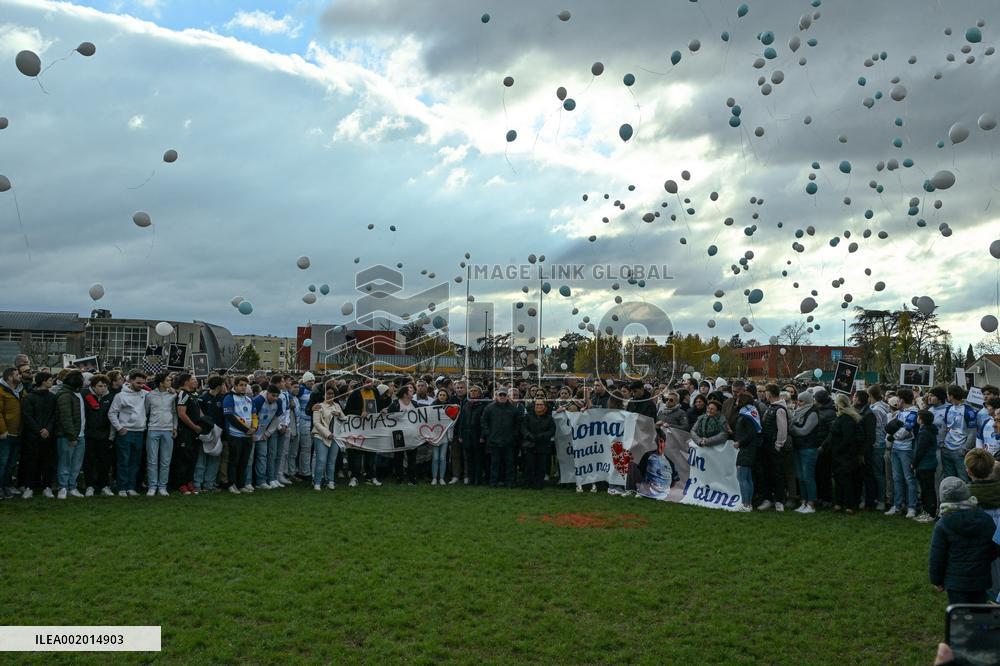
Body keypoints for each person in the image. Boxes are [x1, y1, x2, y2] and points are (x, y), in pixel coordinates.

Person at [928, 477, 999, 604]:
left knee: (959, 615)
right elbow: (995, 548)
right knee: (979, 613)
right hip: (981, 579)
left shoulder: (943, 524)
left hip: (955, 583)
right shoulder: (985, 519)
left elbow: (937, 556)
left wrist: (937, 580)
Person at [108, 370, 149, 497]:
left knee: (135, 461)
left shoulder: (146, 394)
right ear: (130, 380)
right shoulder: (120, 396)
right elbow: (112, 413)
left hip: (140, 431)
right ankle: (122, 487)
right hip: (126, 432)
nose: (141, 385)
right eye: (138, 383)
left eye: (143, 383)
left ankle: (131, 487)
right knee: (123, 461)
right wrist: (119, 428)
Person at [821, 393, 862, 514]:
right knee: (839, 479)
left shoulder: (846, 419)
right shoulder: (843, 417)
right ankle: (839, 502)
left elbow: (847, 438)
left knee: (846, 480)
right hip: (840, 454)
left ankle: (849, 505)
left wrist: (838, 449)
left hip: (845, 455)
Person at [19, 372, 57, 499]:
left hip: (47, 435)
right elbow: (27, 416)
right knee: (31, 462)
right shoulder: (30, 397)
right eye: (50, 380)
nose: (52, 382)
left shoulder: (53, 397)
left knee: (48, 462)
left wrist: (47, 429)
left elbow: (54, 415)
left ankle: (47, 487)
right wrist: (40, 430)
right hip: (33, 436)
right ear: (43, 381)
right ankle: (29, 487)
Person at [886, 388, 920, 519]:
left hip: (907, 450)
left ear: (902, 400)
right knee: (897, 478)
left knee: (909, 478)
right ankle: (898, 504)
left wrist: (893, 436)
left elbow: (906, 431)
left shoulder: (913, 413)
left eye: (898, 399)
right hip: (896, 449)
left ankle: (912, 506)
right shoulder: (900, 413)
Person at [756, 384, 789, 512]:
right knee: (766, 473)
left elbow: (782, 430)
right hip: (766, 445)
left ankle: (779, 501)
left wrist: (778, 445)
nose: (765, 394)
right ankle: (767, 498)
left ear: (769, 393)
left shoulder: (779, 409)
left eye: (766, 392)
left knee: (777, 474)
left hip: (774, 447)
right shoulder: (771, 407)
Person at [53, 370, 86, 499]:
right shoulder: (65, 395)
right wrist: (72, 436)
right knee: (65, 462)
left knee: (76, 463)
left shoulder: (77, 394)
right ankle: (63, 487)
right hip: (68, 436)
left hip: (80, 434)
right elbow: (65, 417)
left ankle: (72, 486)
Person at [144, 372, 178, 497]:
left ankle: (162, 486)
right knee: (152, 460)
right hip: (153, 429)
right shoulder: (150, 396)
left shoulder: (172, 395)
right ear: (161, 383)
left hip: (168, 430)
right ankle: (152, 486)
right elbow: (146, 411)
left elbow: (174, 412)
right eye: (168, 380)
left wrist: (175, 427)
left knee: (165, 460)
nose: (170, 382)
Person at [82, 374, 114, 497]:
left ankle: (104, 485)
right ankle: (89, 485)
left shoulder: (110, 397)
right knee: (89, 462)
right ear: (93, 386)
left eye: (105, 386)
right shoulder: (85, 396)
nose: (103, 388)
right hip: (89, 435)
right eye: (100, 386)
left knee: (104, 462)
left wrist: (110, 436)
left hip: (104, 435)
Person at [174, 373, 206, 495]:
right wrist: (194, 427)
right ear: (186, 382)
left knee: (193, 458)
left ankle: (189, 482)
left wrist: (204, 424)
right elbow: (182, 413)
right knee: (183, 458)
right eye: (193, 379)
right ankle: (181, 484)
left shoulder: (194, 395)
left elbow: (198, 412)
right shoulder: (183, 394)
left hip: (195, 432)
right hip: (185, 432)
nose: (196, 381)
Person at [481, 388, 520, 489]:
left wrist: (514, 435)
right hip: (494, 441)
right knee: (494, 464)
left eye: (504, 395)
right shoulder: (489, 408)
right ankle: (493, 482)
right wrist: (488, 434)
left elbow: (518, 424)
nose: (502, 397)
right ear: (497, 396)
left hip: (509, 442)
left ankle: (510, 482)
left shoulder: (513, 409)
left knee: (510, 464)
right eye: (500, 395)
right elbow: (483, 421)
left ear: (507, 396)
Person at [223, 377, 255, 494]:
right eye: (241, 385)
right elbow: (230, 416)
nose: (243, 387)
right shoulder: (229, 398)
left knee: (244, 461)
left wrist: (254, 428)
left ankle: (241, 484)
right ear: (235, 386)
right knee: (234, 461)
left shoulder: (248, 399)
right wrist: (245, 429)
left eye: (245, 385)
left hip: (247, 436)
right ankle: (231, 484)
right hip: (235, 435)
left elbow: (254, 415)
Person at [789, 391, 820, 514]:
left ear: (807, 401)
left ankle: (811, 503)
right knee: (800, 477)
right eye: (798, 400)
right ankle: (804, 501)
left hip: (809, 448)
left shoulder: (812, 413)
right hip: (798, 447)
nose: (798, 402)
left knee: (808, 477)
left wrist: (791, 428)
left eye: (801, 401)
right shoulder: (798, 412)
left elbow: (804, 431)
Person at [942, 386, 978, 482]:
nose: (947, 396)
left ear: (951, 396)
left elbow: (972, 433)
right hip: (946, 448)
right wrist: (942, 443)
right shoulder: (948, 408)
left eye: (948, 394)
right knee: (949, 480)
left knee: (963, 479)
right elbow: (945, 427)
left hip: (959, 450)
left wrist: (964, 448)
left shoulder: (969, 411)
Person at [311, 383, 343, 491]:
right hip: (320, 436)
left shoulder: (337, 406)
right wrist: (327, 434)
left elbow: (345, 419)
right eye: (328, 393)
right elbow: (316, 423)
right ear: (324, 395)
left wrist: (340, 415)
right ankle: (317, 483)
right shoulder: (319, 406)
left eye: (332, 393)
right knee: (321, 460)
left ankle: (330, 481)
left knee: (331, 461)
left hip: (335, 437)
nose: (330, 395)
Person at [732, 393, 761, 512]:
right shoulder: (750, 413)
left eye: (738, 399)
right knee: (748, 478)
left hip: (746, 449)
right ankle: (748, 504)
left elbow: (750, 434)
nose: (736, 401)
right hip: (750, 448)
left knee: (742, 477)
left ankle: (746, 504)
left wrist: (740, 443)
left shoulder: (746, 415)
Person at [252, 385, 284, 490]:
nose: (275, 398)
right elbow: (251, 416)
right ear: (267, 393)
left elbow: (277, 419)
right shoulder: (258, 400)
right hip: (251, 433)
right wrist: (251, 432)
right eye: (273, 396)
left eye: (277, 396)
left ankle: (261, 481)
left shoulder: (278, 402)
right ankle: (247, 482)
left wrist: (267, 433)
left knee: (263, 457)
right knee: (249, 459)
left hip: (263, 434)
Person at [521, 398, 556, 490]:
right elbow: (523, 428)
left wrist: (543, 435)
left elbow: (552, 430)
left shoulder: (549, 418)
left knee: (541, 467)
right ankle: (527, 483)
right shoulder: (528, 416)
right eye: (537, 404)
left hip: (543, 445)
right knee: (529, 465)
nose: (539, 406)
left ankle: (539, 484)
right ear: (534, 405)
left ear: (545, 406)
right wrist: (529, 435)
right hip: (530, 444)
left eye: (541, 404)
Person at [912, 410, 940, 523]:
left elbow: (920, 450)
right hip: (927, 463)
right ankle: (927, 511)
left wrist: (914, 463)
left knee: (927, 489)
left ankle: (930, 513)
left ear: (921, 419)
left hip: (925, 464)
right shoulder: (928, 430)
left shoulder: (924, 432)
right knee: (926, 489)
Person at [0, 367, 24, 499]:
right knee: (2, 463)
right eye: (17, 374)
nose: (19, 376)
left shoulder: (20, 390)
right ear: (10, 377)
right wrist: (2, 430)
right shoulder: (1, 391)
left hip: (18, 432)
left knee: (11, 463)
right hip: (6, 434)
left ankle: (7, 486)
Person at [456, 385, 487, 485]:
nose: (473, 392)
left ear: (479, 393)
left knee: (478, 458)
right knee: (469, 459)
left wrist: (482, 436)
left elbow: (484, 422)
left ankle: (478, 479)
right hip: (467, 436)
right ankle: (471, 478)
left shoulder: (483, 405)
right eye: (471, 391)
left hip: (477, 436)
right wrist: (460, 435)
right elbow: (462, 421)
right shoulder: (466, 405)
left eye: (475, 391)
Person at [389, 385, 419, 486]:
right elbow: (389, 417)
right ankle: (399, 477)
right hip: (399, 435)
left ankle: (412, 478)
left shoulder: (415, 404)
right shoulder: (395, 404)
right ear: (405, 394)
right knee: (398, 457)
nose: (413, 392)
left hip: (412, 434)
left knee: (412, 457)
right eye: (410, 391)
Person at [868, 385, 891, 511]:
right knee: (879, 473)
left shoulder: (876, 409)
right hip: (881, 442)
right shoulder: (884, 406)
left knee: (878, 473)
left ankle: (881, 499)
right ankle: (879, 497)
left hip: (877, 444)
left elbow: (877, 428)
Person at [853, 391, 877, 510]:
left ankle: (869, 502)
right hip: (856, 449)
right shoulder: (856, 411)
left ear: (858, 399)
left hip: (865, 451)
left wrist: (863, 452)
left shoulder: (868, 414)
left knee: (868, 476)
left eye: (854, 397)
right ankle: (858, 500)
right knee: (857, 477)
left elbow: (870, 437)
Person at [292, 372, 315, 479]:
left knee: (308, 448)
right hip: (303, 421)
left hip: (313, 422)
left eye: (313, 381)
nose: (311, 382)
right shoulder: (301, 390)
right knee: (305, 447)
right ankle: (304, 472)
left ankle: (305, 470)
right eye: (309, 381)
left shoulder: (314, 391)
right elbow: (293, 395)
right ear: (305, 381)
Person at [429, 388, 451, 485]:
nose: (442, 396)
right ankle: (434, 478)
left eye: (444, 395)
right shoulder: (432, 407)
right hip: (435, 436)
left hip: (445, 436)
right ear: (437, 396)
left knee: (442, 458)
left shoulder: (450, 407)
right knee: (435, 458)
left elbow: (451, 423)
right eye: (440, 395)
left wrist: (450, 436)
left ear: (447, 397)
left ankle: (441, 478)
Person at [448, 380, 468, 484]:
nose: (459, 390)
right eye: (458, 388)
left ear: (466, 389)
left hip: (467, 432)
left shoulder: (469, 400)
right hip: (455, 431)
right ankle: (455, 476)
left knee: (466, 455)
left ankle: (466, 476)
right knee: (455, 455)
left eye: (462, 388)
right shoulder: (451, 400)